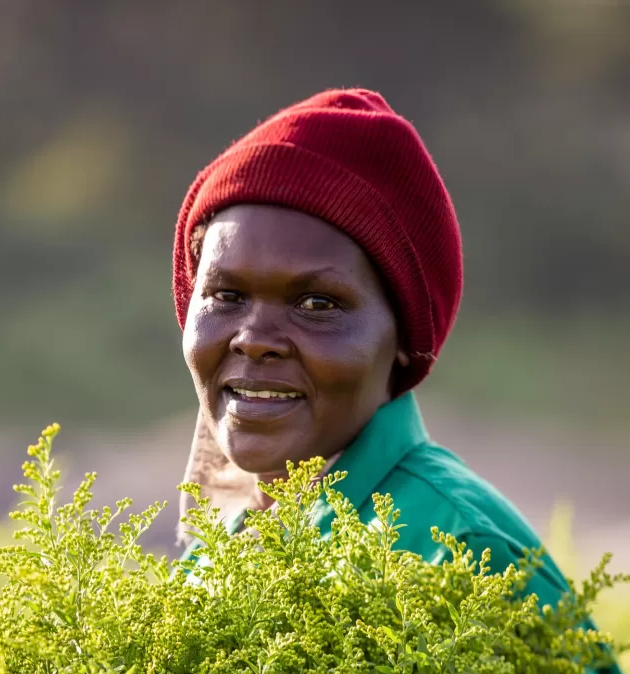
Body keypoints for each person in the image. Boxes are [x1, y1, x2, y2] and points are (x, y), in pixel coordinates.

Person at [172, 87, 572, 607]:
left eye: (316, 304)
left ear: (404, 336)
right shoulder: (214, 549)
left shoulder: (461, 552)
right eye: (226, 295)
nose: (252, 340)